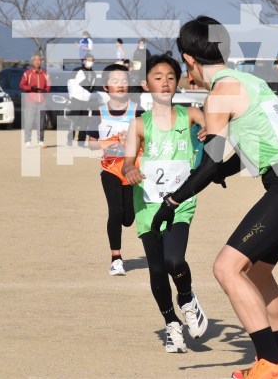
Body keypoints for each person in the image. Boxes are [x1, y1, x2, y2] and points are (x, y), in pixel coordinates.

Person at [149, 16, 278, 379]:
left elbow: (210, 162)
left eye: (184, 67)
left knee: (226, 268)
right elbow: (253, 145)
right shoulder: (249, 81)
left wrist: (172, 201)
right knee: (257, 272)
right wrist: (221, 170)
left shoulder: (219, 94)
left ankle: (271, 364)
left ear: (189, 59)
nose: (187, 75)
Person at [121, 54, 209, 353]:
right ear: (146, 85)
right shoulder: (138, 124)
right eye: (158, 77)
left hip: (180, 201)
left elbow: (215, 131)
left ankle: (186, 297)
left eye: (171, 77)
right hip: (148, 203)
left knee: (174, 261)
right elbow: (128, 162)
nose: (165, 82)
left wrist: (208, 132)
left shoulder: (191, 114)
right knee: (157, 269)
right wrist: (130, 170)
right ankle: (171, 324)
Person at [86, 65, 141, 276]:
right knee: (115, 211)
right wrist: (111, 143)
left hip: (132, 169)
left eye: (124, 81)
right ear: (106, 86)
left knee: (128, 219)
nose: (120, 85)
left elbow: (148, 138)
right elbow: (91, 144)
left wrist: (132, 141)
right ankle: (116, 259)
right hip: (110, 168)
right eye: (115, 81)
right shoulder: (99, 112)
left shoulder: (138, 111)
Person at [19, 54, 51, 148]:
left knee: (41, 122)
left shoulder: (45, 74)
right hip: (30, 101)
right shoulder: (27, 73)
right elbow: (21, 85)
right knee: (29, 122)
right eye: (35, 60)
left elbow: (49, 85)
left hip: (42, 101)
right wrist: (30, 88)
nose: (37, 62)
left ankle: (40, 141)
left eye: (39, 60)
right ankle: (27, 141)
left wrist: (46, 91)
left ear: (41, 62)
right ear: (32, 62)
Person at [66, 55, 98, 147]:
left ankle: (81, 142)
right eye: (88, 60)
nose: (90, 62)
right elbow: (70, 83)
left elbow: (92, 87)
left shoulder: (93, 74)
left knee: (84, 122)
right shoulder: (77, 70)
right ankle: (70, 139)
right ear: (84, 61)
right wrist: (71, 96)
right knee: (74, 120)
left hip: (86, 101)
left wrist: (89, 96)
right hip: (76, 99)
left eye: (91, 60)